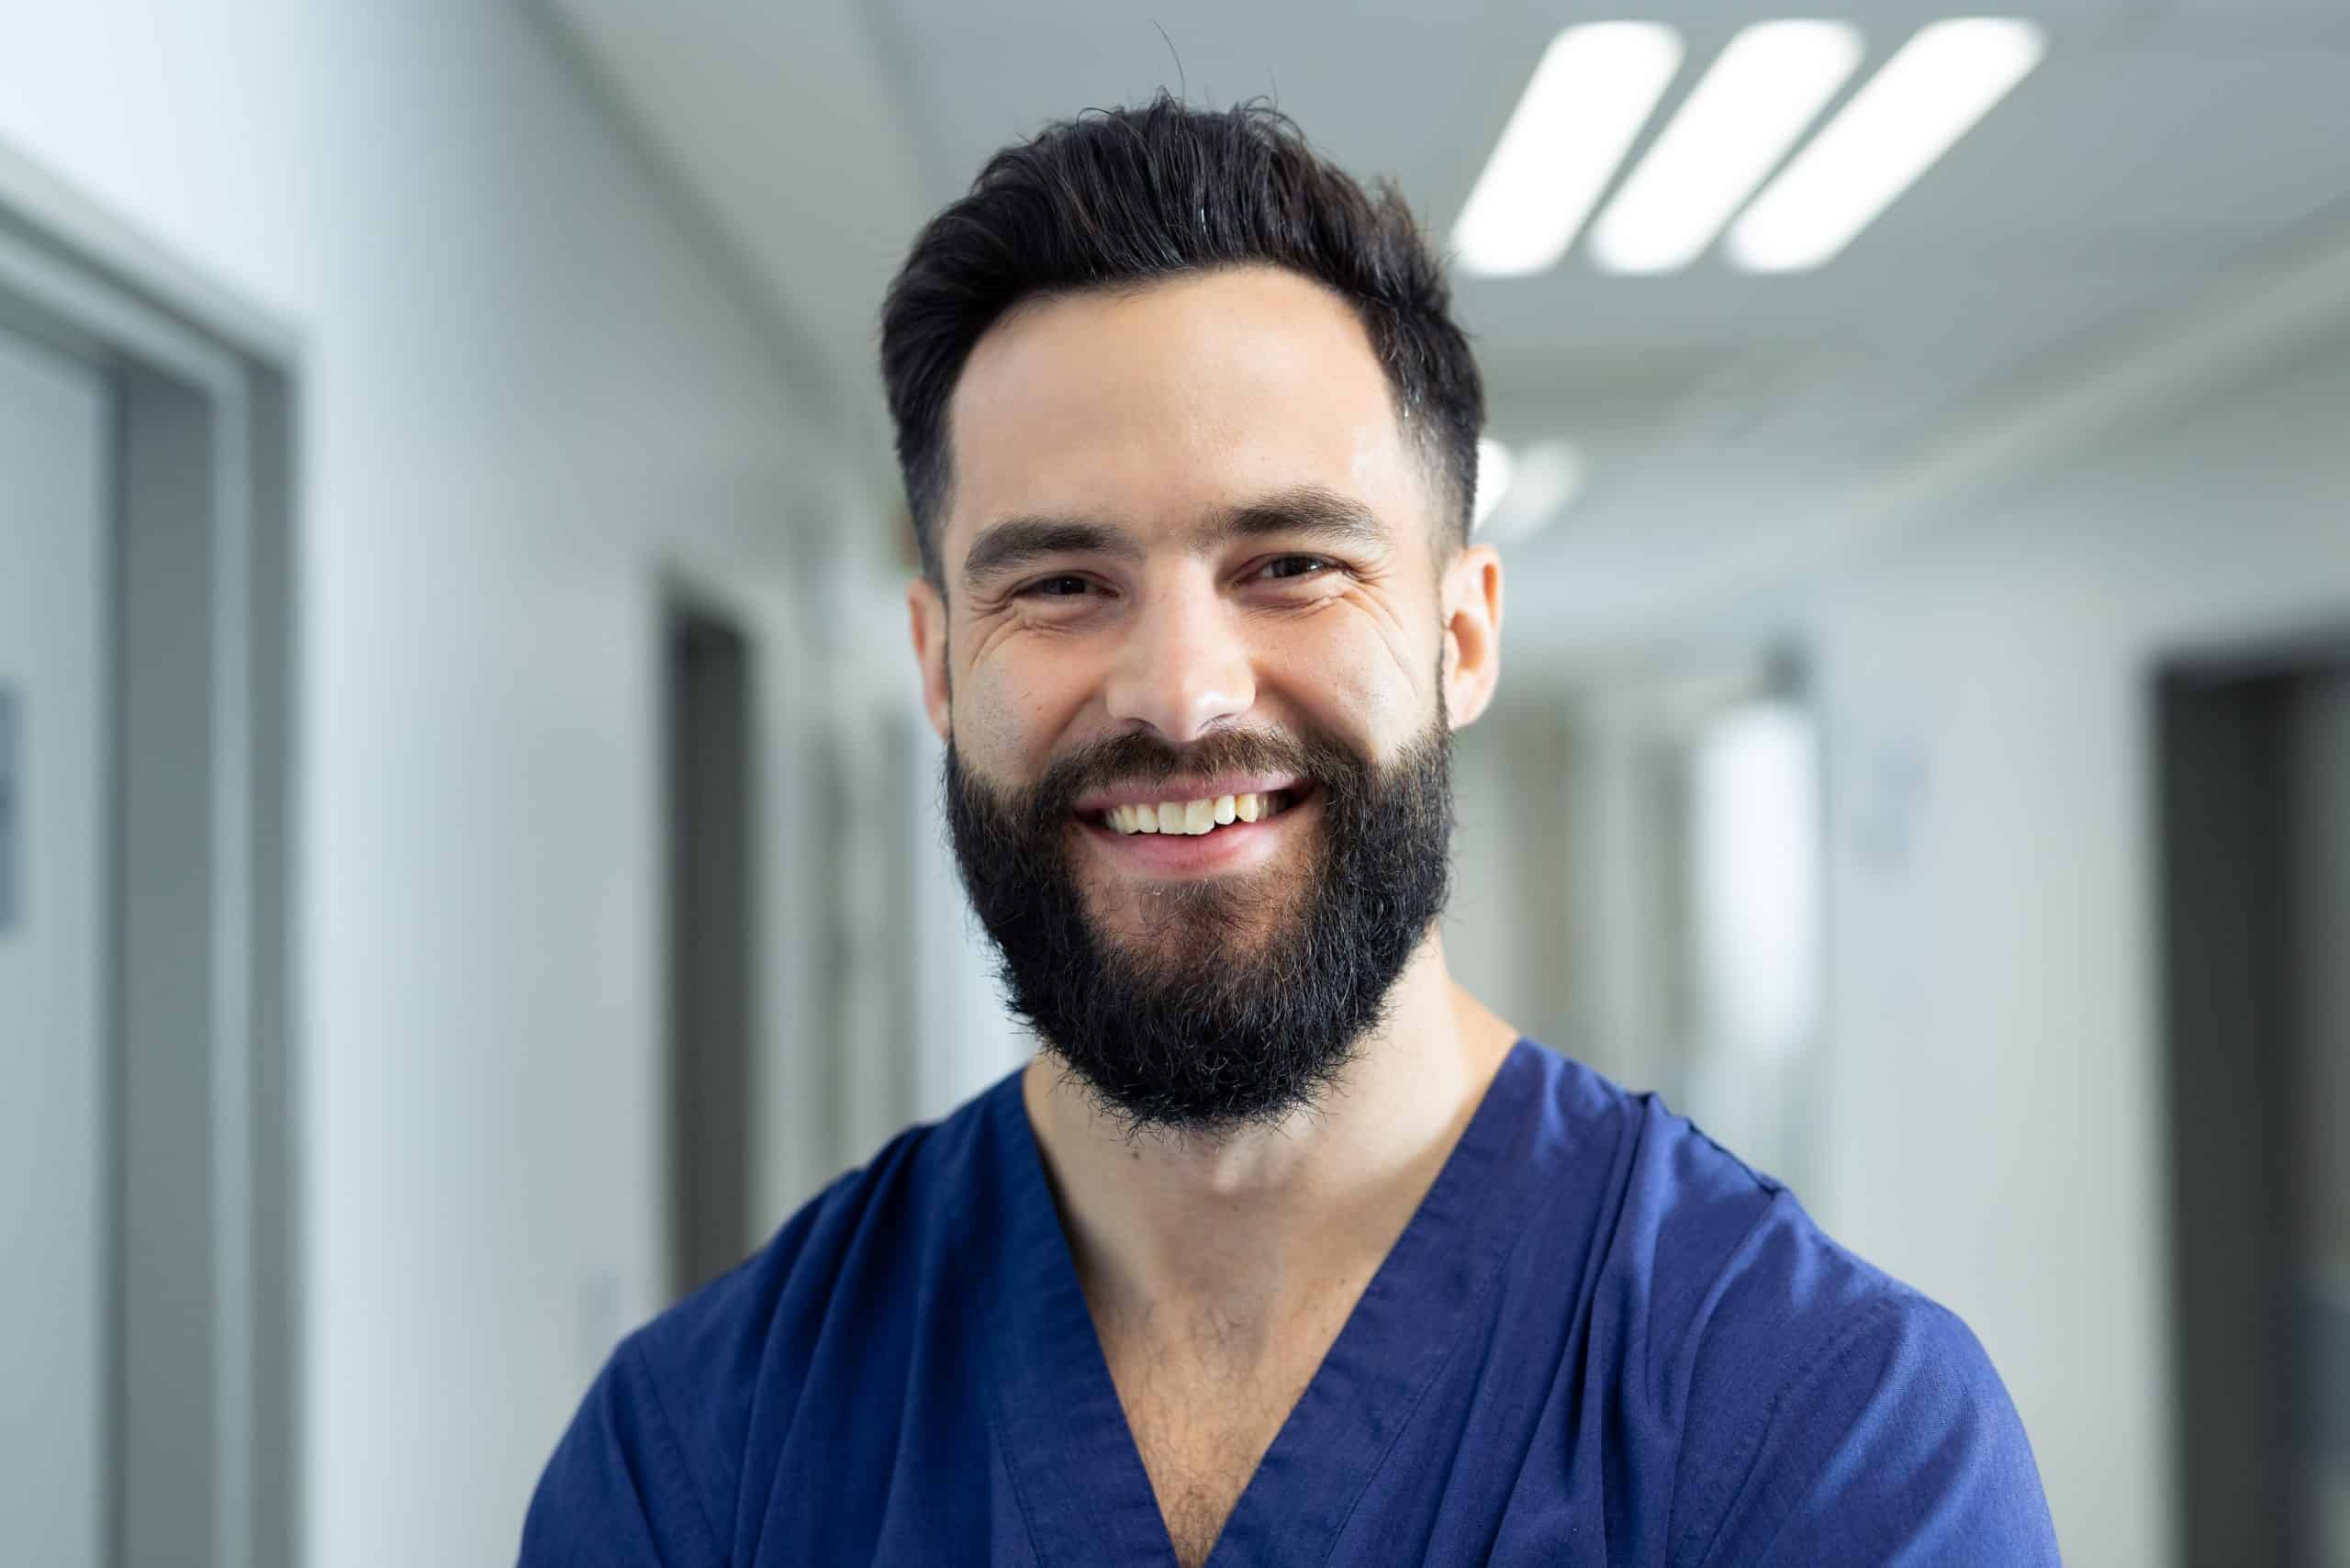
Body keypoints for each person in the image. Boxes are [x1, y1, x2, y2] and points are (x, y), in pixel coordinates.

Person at [521, 95, 2058, 1566]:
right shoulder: (702, 1460)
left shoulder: (1821, 1431)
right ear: (937, 663)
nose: (1183, 695)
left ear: (1463, 637)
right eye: (1061, 584)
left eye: (1292, 565)